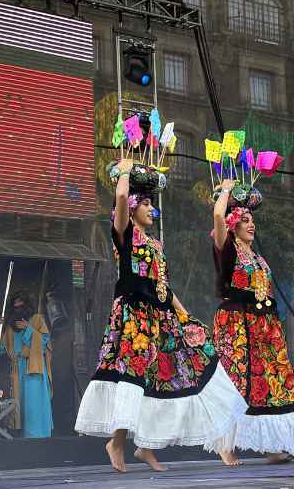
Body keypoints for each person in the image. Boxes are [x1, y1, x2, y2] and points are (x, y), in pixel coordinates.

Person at [75, 159, 247, 473]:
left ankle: (147, 447)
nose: (153, 209)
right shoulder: (124, 235)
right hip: (136, 316)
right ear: (135, 207)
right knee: (134, 374)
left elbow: (163, 285)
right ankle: (117, 441)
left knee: (173, 372)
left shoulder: (155, 243)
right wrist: (126, 171)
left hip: (161, 316)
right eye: (148, 204)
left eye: (153, 204)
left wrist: (184, 314)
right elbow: (121, 199)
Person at [206, 179, 294, 466]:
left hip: (264, 326)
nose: (252, 225)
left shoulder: (257, 256)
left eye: (252, 221)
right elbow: (217, 216)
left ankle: (273, 445)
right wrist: (226, 190)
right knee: (238, 382)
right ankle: (225, 445)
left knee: (272, 384)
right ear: (233, 224)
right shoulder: (226, 249)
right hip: (237, 324)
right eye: (245, 220)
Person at [1, 291, 53, 438]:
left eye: (20, 303)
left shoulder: (37, 319)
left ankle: (38, 436)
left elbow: (45, 343)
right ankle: (22, 437)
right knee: (20, 405)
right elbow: (3, 347)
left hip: (34, 367)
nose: (18, 307)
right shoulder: (11, 326)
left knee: (34, 403)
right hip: (18, 367)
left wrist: (28, 328)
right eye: (15, 305)